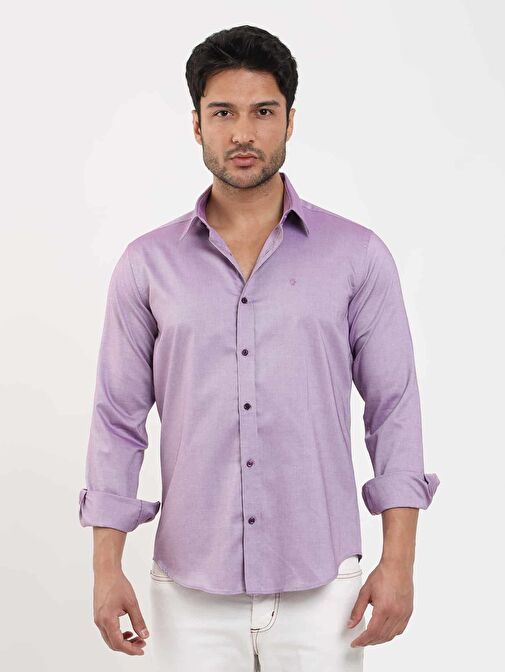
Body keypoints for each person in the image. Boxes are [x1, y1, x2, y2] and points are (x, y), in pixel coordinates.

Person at [78, 24, 440, 671]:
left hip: (324, 586)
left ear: (290, 121)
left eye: (262, 112)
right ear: (197, 124)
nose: (242, 133)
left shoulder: (356, 256)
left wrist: (399, 561)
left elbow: (393, 410)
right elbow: (117, 420)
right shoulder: (146, 265)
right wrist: (107, 568)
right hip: (188, 589)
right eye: (223, 113)